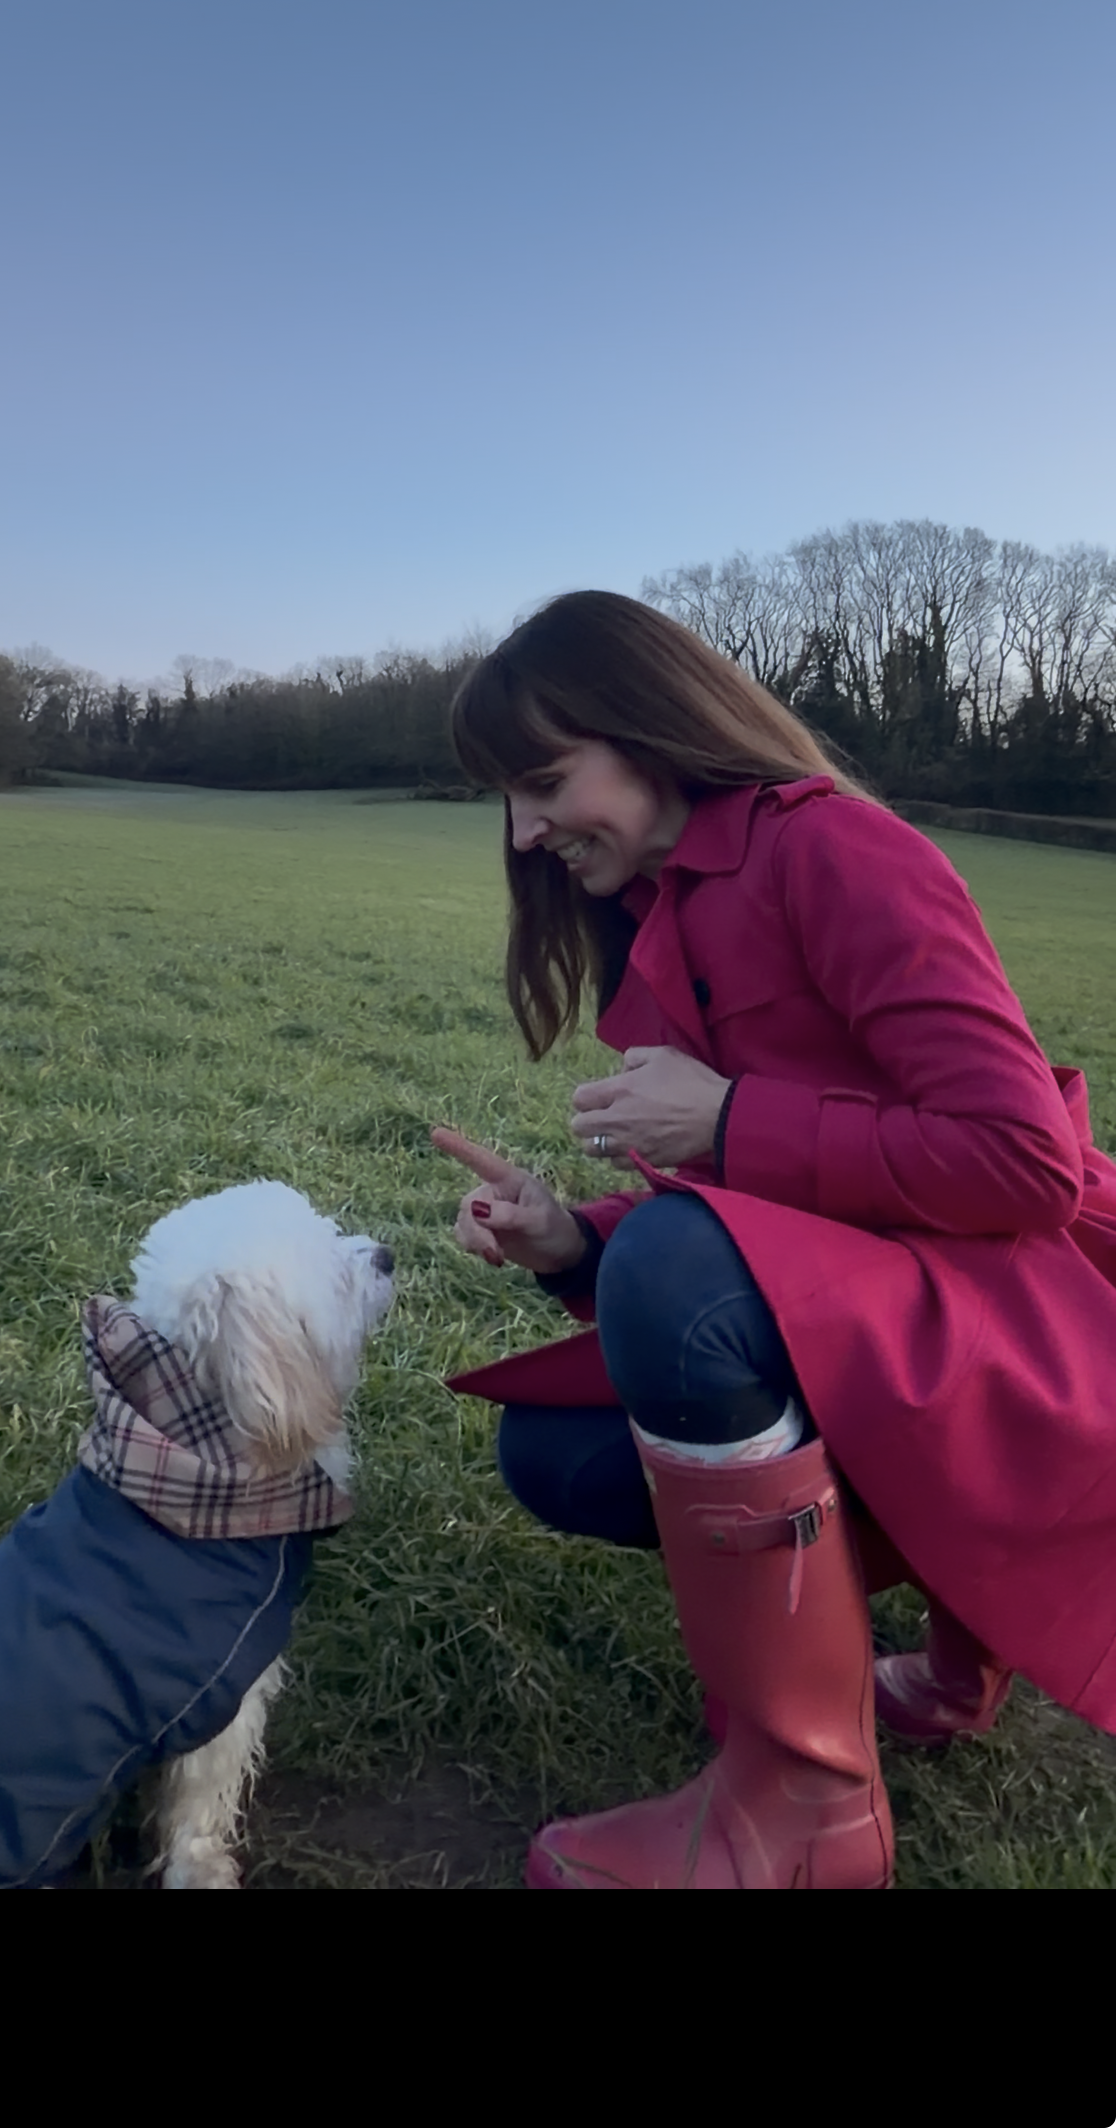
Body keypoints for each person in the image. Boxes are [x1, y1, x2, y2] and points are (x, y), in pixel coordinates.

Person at [431, 590, 1116, 1891]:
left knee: (673, 1272)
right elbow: (773, 1228)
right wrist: (571, 1237)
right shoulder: (664, 915)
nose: (522, 831)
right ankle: (927, 1645)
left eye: (541, 781)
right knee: (559, 1449)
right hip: (895, 1314)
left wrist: (735, 1117)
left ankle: (807, 1803)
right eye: (504, 801)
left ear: (646, 729)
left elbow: (1019, 1160)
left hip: (1023, 1327)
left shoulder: (835, 851)